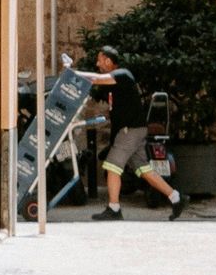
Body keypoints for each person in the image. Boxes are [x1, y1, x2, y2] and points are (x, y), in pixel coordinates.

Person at [67, 47, 185, 221]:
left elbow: (96, 79)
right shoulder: (116, 84)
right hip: (134, 130)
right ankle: (177, 198)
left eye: (100, 60)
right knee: (144, 170)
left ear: (108, 61)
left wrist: (72, 73)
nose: (97, 64)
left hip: (130, 131)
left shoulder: (122, 74)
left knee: (112, 166)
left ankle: (114, 208)